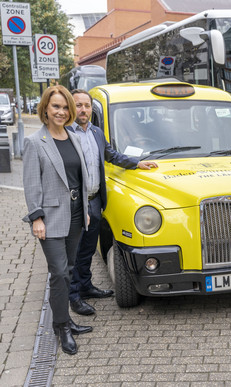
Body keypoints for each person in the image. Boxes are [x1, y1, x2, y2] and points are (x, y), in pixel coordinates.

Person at [68, 89, 158, 316]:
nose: (83, 110)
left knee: (88, 248)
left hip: (95, 199)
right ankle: (74, 296)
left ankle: (86, 286)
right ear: (71, 107)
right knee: (73, 252)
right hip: (75, 203)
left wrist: (136, 164)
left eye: (87, 105)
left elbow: (110, 154)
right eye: (78, 105)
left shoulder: (97, 132)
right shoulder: (65, 134)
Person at [22, 86, 93, 355]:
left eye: (65, 107)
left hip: (76, 214)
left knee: (70, 267)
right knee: (60, 272)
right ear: (45, 109)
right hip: (50, 217)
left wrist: (85, 208)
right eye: (55, 107)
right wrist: (36, 217)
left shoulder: (72, 137)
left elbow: (81, 177)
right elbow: (31, 183)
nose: (61, 112)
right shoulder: (34, 141)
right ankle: (61, 326)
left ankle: (65, 319)